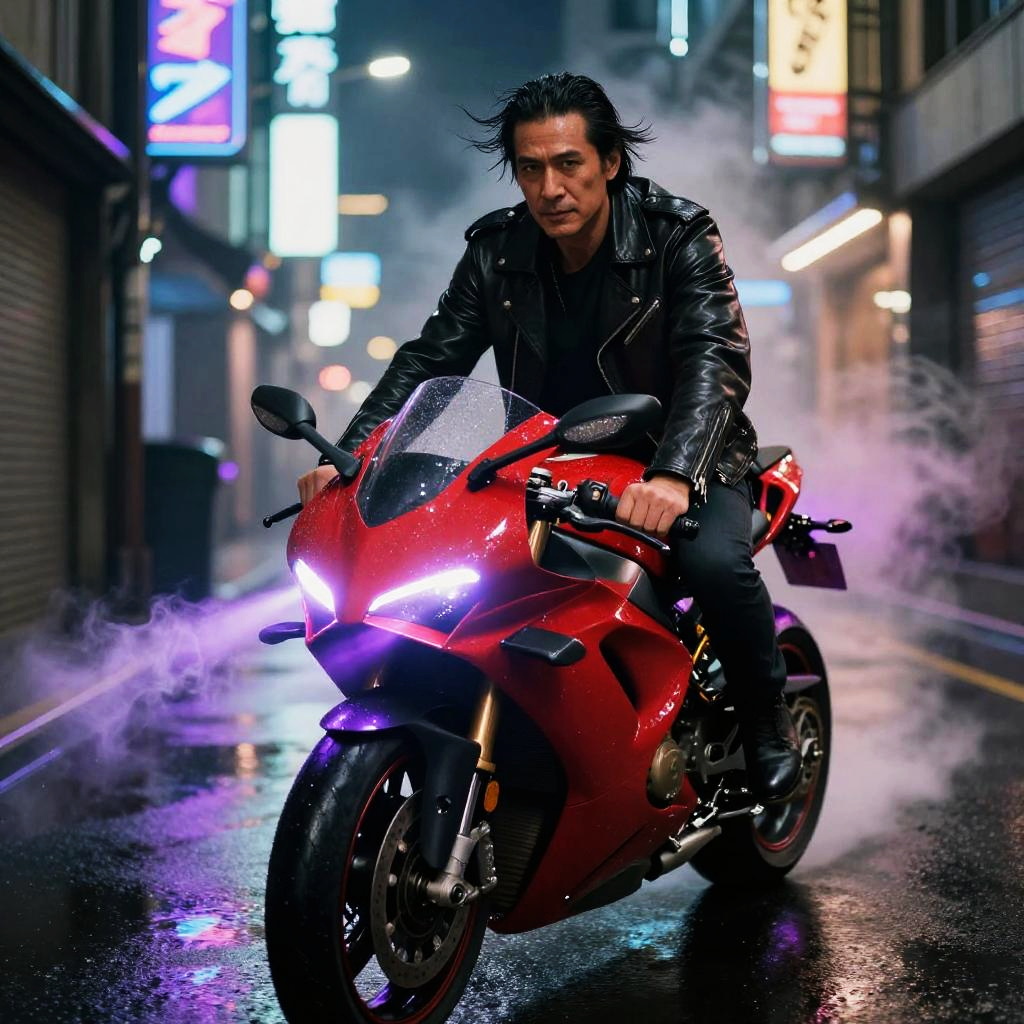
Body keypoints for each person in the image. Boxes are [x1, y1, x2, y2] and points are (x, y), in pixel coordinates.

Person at [297, 73, 801, 802]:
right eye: (531, 168)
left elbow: (713, 359)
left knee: (716, 564)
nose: (550, 186)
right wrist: (355, 456)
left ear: (609, 163)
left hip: (679, 454)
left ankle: (766, 723)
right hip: (547, 457)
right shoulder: (498, 251)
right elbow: (433, 356)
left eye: (568, 163)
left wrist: (673, 474)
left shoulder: (677, 236)